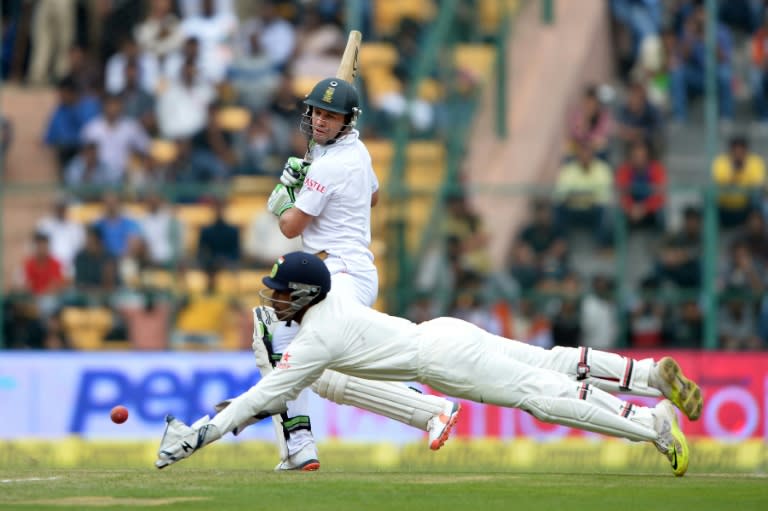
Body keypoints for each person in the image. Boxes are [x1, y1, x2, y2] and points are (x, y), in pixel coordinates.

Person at [155, 252, 704, 477]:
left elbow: (265, 395)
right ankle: (647, 375)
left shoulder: (316, 339)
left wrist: (201, 434)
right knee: (552, 362)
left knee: (541, 395)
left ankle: (649, 426)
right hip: (445, 332)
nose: (273, 301)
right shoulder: (337, 292)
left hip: (441, 360)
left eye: (280, 293)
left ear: (302, 294)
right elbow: (269, 394)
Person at [249, 77, 458, 471]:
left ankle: (429, 408)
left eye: (331, 115)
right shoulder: (356, 152)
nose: (320, 121)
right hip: (342, 270)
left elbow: (290, 227)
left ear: (347, 120)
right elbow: (373, 196)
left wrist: (284, 196)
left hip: (339, 272)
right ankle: (301, 447)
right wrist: (313, 179)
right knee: (292, 348)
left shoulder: (331, 164)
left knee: (286, 346)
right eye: (316, 112)